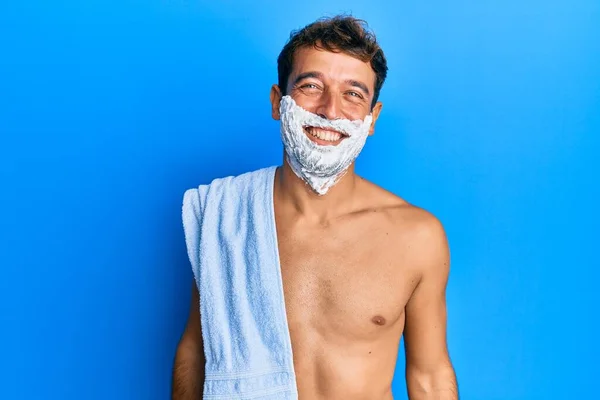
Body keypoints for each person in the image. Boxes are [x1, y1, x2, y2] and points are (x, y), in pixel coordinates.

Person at [172, 15, 458, 400]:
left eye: (353, 94)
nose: (330, 110)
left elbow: (429, 375)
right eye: (311, 86)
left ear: (372, 119)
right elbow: (197, 347)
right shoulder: (227, 217)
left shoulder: (417, 236)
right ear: (278, 102)